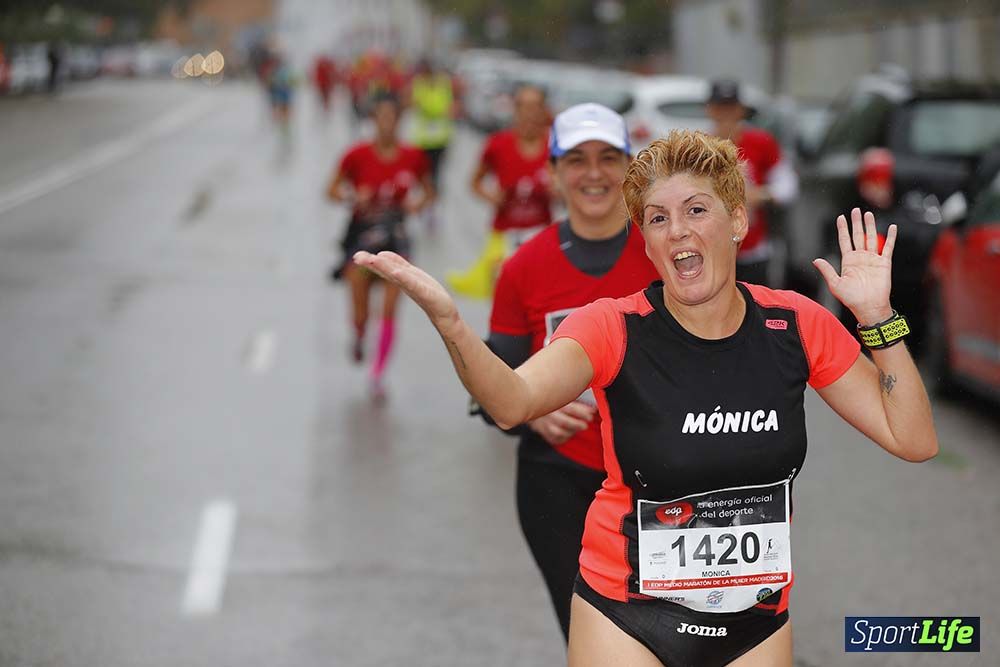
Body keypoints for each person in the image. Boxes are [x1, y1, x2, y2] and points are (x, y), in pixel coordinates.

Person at [354, 129, 938, 665]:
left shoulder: (796, 325)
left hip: (755, 620)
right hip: (626, 614)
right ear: (647, 243)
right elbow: (512, 400)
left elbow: (912, 439)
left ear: (737, 221)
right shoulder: (611, 327)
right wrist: (453, 325)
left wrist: (878, 317)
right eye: (657, 219)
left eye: (696, 210)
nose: (677, 230)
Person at [481, 103, 660, 641]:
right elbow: (493, 388)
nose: (594, 173)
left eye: (609, 157)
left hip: (661, 478)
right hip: (558, 482)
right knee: (591, 635)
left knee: (671, 635)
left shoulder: (668, 252)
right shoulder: (523, 268)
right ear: (554, 173)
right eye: (576, 159)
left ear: (630, 167)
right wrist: (534, 413)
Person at [327, 92, 434, 398]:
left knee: (389, 309)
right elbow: (331, 190)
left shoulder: (413, 156)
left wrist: (418, 204)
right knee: (361, 311)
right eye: (381, 118)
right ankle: (359, 334)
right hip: (362, 239)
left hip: (396, 237)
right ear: (372, 121)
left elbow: (429, 191)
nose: (387, 124)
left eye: (393, 118)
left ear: (400, 120)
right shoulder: (357, 155)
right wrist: (351, 197)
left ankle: (378, 372)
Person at [447, 83, 553, 299]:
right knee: (504, 301)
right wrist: (492, 197)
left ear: (545, 111)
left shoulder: (556, 147)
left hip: (542, 236)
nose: (529, 113)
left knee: (537, 300)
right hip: (503, 236)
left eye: (535, 106)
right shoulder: (498, 144)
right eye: (523, 106)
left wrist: (557, 190)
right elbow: (474, 183)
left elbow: (572, 188)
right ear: (514, 110)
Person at [706, 79, 798, 287]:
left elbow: (788, 185)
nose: (726, 116)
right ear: (710, 110)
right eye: (720, 109)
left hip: (753, 249)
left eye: (731, 109)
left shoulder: (761, 142)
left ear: (741, 111)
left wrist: (763, 194)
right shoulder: (698, 145)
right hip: (710, 248)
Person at [408, 59, 457, 231]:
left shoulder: (443, 83)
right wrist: (435, 109)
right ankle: (425, 204)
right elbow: (416, 104)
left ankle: (433, 209)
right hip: (423, 140)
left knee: (436, 176)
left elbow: (448, 106)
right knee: (423, 177)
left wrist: (432, 109)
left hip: (440, 139)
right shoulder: (418, 84)